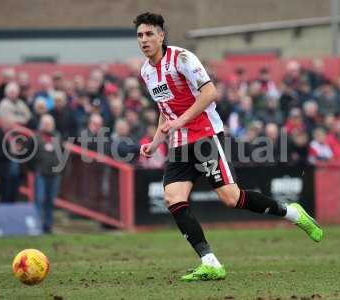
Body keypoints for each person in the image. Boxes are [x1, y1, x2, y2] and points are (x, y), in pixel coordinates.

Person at [135, 12, 323, 282]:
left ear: (161, 35)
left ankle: (292, 213)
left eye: (149, 34)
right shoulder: (145, 71)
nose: (144, 40)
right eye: (140, 35)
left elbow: (210, 93)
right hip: (179, 142)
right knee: (172, 198)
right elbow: (165, 110)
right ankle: (209, 262)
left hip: (205, 135)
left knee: (231, 198)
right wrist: (154, 143)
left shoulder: (182, 58)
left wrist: (181, 122)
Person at [31, 115, 62, 234]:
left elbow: (62, 153)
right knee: (39, 199)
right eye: (45, 123)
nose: (47, 126)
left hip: (54, 174)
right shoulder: (36, 137)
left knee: (50, 200)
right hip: (41, 173)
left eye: (49, 123)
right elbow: (29, 155)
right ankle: (37, 226)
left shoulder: (57, 136)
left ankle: (48, 226)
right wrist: (34, 168)